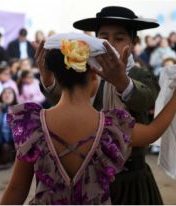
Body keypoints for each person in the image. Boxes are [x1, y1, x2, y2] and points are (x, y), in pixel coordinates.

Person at [0, 34, 176, 204]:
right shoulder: (111, 128)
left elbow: (16, 190)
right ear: (94, 76)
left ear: (54, 76)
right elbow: (154, 131)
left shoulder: (34, 125)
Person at [39, 6, 163, 204]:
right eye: (104, 37)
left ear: (134, 42)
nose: (110, 44)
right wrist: (49, 81)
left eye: (119, 38)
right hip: (91, 177)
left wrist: (122, 82)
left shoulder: (140, 75)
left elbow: (147, 99)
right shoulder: (89, 73)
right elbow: (68, 101)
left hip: (131, 178)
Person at [0, 88, 18, 166]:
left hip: (13, 135)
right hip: (0, 135)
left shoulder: (19, 108)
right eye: (4, 93)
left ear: (14, 96)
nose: (7, 95)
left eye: (10, 93)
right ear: (1, 96)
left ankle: (13, 156)